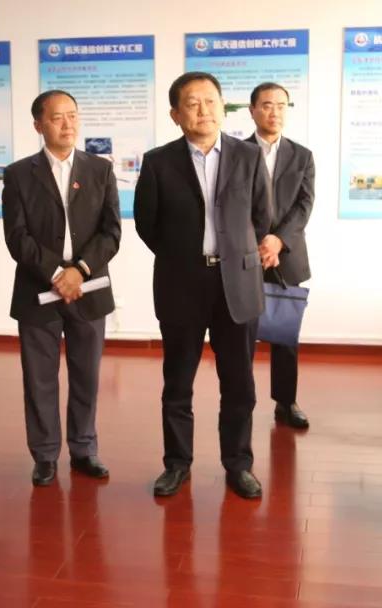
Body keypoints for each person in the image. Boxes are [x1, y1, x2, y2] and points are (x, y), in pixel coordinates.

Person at [134, 72, 273, 500]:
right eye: (192, 103)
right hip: (181, 284)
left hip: (237, 283)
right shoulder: (158, 162)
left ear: (222, 106)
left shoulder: (249, 156)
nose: (204, 110)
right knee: (178, 382)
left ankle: (239, 464)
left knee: (239, 383)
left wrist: (231, 255)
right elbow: (147, 224)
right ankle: (177, 464)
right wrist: (184, 257)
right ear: (175, 114)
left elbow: (262, 217)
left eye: (211, 101)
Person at [1, 90, 121, 486]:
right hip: (38, 291)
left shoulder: (100, 170)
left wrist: (79, 271)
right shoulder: (19, 174)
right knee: (39, 378)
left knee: (86, 375)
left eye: (72, 115)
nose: (67, 124)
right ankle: (45, 454)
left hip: (89, 288)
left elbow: (111, 232)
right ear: (39, 125)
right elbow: (17, 237)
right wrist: (56, 273)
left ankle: (84, 449)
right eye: (57, 117)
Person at [246, 82, 316, 429]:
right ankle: (241, 400)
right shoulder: (236, 152)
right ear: (252, 110)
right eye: (266, 105)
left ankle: (286, 403)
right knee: (241, 334)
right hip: (246, 255)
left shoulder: (302, 155)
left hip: (287, 255)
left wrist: (277, 241)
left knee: (285, 335)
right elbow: (229, 205)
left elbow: (304, 205)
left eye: (281, 105)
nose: (274, 112)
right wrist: (259, 242)